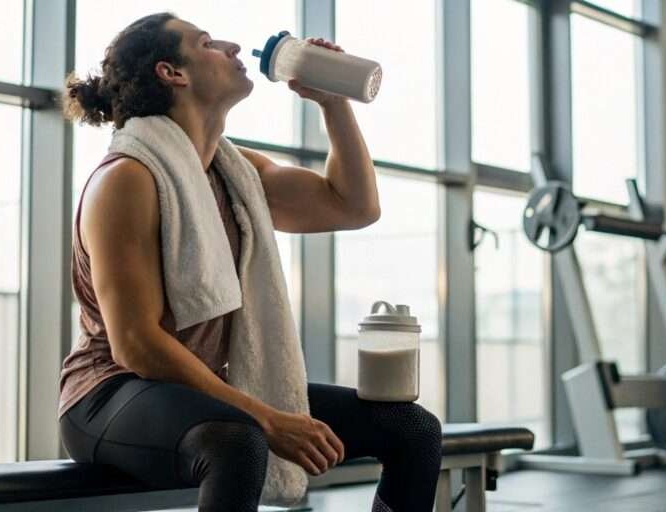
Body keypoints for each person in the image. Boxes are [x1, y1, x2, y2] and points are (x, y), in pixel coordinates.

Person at [57, 12, 442, 512]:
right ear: (172, 73)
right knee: (237, 441)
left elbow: (354, 205)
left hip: (208, 389)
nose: (234, 47)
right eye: (208, 43)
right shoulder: (126, 179)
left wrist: (333, 105)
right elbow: (136, 346)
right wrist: (267, 417)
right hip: (109, 395)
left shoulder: (236, 173)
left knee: (411, 428)